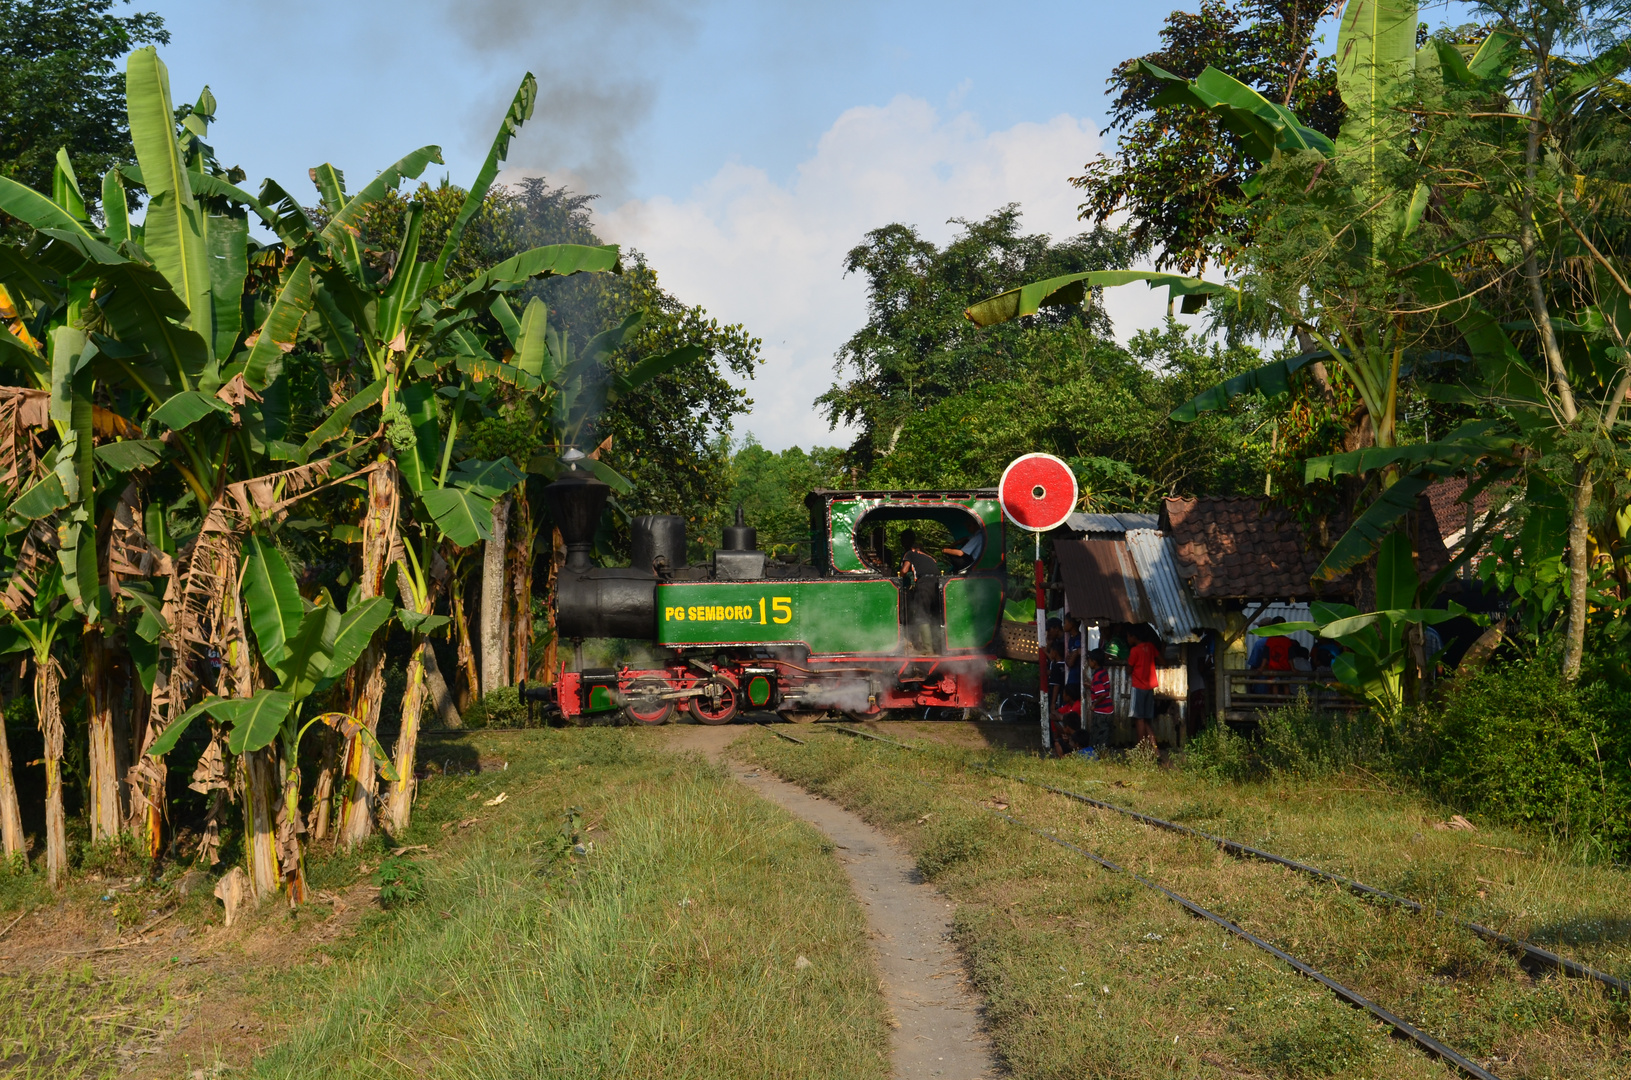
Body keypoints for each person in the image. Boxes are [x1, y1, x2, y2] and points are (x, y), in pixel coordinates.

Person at [897, 530, 942, 654]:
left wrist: (898, 577)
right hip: (939, 583)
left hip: (925, 583)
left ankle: (928, 650)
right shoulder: (928, 556)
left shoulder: (909, 554)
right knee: (934, 615)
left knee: (921, 615)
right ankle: (939, 647)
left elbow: (905, 570)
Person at [1128, 627, 1161, 750]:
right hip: (1149, 687)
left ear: (1134, 637)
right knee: (1146, 720)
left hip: (1138, 686)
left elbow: (1129, 669)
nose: (1127, 639)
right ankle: (1155, 749)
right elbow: (1161, 660)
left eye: (1128, 636)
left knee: (1139, 719)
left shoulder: (1134, 651)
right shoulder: (1150, 647)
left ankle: (1140, 749)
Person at [1087, 649, 1114, 749]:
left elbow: (1102, 694)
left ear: (1094, 661)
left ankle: (1098, 753)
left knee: (1098, 734)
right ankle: (1103, 752)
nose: (1089, 662)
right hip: (1108, 710)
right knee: (1106, 734)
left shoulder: (1097, 676)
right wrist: (1091, 686)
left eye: (1089, 660)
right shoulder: (1103, 672)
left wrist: (1094, 705)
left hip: (1101, 711)